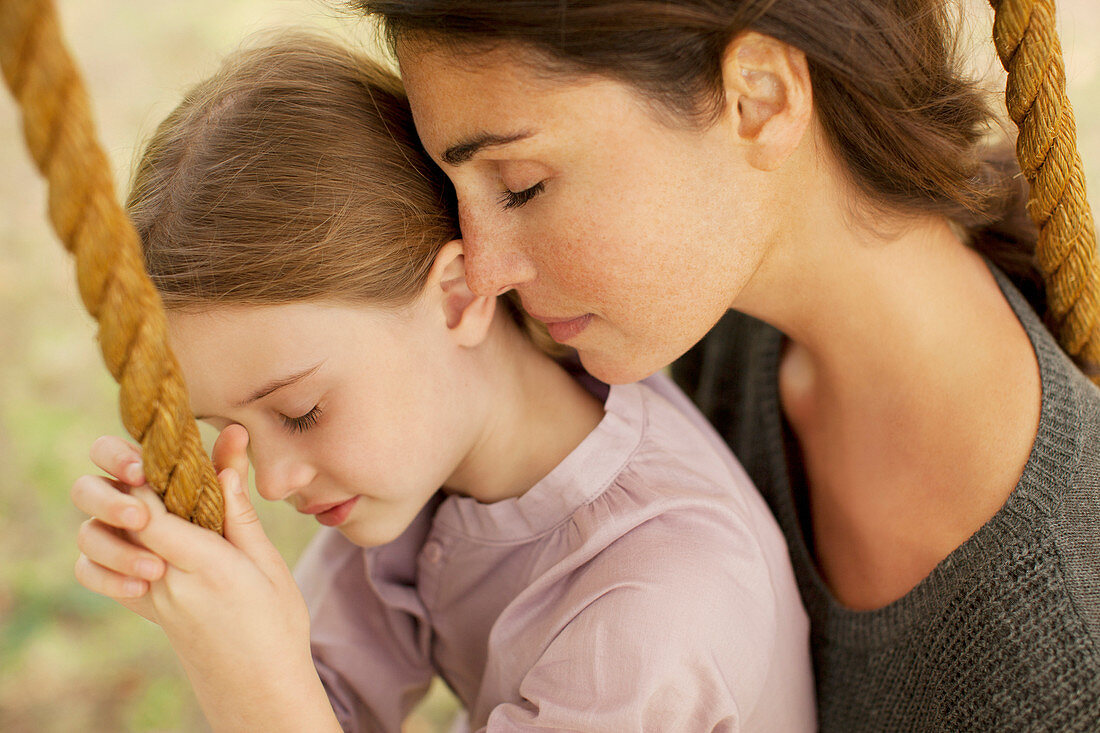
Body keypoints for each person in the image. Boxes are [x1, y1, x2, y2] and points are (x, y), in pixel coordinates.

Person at [344, 1, 1100, 730]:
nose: (482, 269)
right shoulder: (709, 332)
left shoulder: (1057, 650)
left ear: (759, 96)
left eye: (520, 185)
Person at [69, 32, 815, 732]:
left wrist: (261, 686)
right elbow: (329, 701)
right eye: (223, 429)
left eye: (300, 412)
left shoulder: (657, 602)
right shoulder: (420, 470)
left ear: (460, 296)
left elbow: (284, 704)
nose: (272, 479)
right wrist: (218, 610)